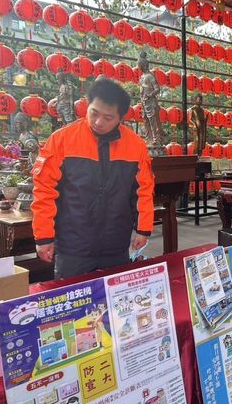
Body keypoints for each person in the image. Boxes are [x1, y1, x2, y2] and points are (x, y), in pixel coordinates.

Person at [32, 78, 154, 279]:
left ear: (120, 118)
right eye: (94, 113)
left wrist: (143, 229)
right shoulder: (62, 140)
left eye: (108, 118)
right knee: (74, 302)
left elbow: (144, 190)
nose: (99, 122)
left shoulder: (135, 145)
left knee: (115, 301)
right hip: (73, 244)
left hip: (116, 243)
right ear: (87, 105)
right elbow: (44, 190)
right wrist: (43, 236)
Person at [138, 52, 164, 146]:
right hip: (144, 102)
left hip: (151, 103)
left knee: (153, 121)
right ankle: (148, 138)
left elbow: (157, 89)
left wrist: (150, 95)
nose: (138, 66)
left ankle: (156, 139)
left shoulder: (150, 76)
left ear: (143, 65)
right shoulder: (141, 77)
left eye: (139, 65)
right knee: (146, 121)